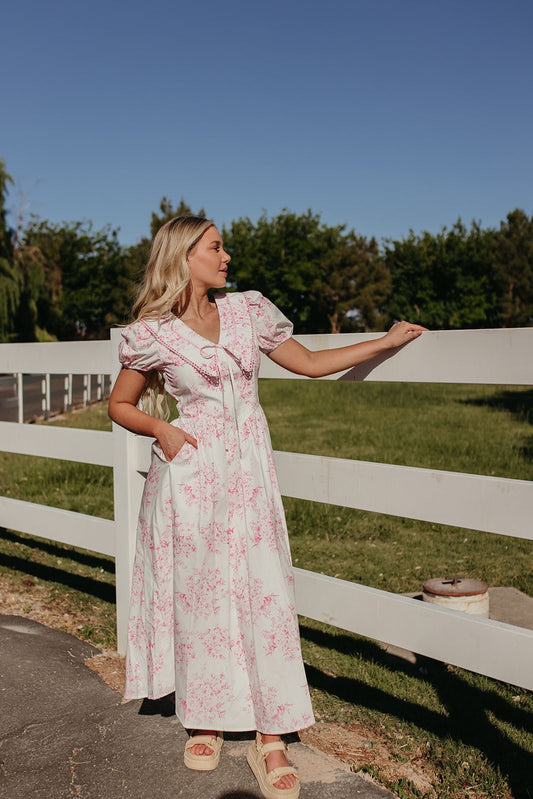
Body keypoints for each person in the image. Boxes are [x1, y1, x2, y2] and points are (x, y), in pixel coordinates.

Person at [108, 215, 426, 799]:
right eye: (215, 247)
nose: (227, 257)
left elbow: (306, 364)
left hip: (250, 470)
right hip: (192, 472)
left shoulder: (250, 310)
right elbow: (120, 405)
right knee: (203, 590)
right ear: (183, 256)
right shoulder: (151, 332)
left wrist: (383, 341)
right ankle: (204, 717)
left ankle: (273, 732)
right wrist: (163, 429)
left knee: (263, 589)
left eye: (224, 247)